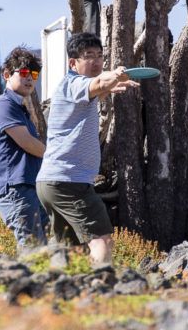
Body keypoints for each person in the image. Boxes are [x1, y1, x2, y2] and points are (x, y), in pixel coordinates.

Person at [36, 32, 138, 267]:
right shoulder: (73, 83)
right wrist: (116, 74)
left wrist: (109, 86)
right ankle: (100, 283)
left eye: (100, 56)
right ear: (73, 63)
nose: (97, 61)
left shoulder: (74, 89)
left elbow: (97, 89)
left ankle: (63, 286)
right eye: (89, 55)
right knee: (102, 241)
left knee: (70, 251)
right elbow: (98, 83)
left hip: (52, 183)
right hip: (69, 182)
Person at [0, 46, 47, 249]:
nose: (29, 78)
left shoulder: (19, 108)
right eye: (23, 72)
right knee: (33, 249)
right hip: (15, 189)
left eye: (34, 74)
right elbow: (26, 142)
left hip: (28, 187)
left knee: (42, 249)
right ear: (6, 74)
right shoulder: (3, 105)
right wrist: (56, 157)